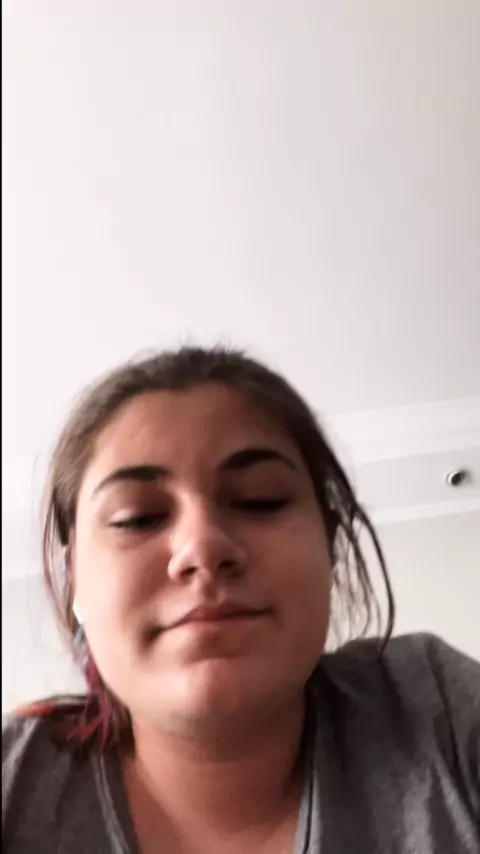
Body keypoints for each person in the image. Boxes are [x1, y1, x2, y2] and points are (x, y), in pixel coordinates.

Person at [2, 346, 479, 854]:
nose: (202, 546)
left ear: (331, 547)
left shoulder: (434, 707)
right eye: (137, 518)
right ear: (75, 582)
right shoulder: (14, 781)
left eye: (260, 500)